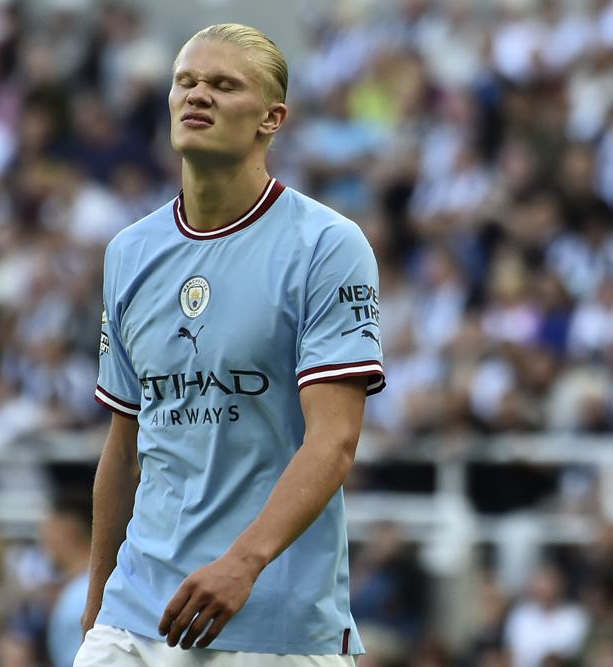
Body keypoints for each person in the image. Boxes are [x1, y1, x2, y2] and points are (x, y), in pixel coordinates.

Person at [77, 23, 385, 666]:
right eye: (186, 81)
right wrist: (97, 601)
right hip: (134, 615)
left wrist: (244, 564)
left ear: (272, 118)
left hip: (272, 623)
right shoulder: (129, 253)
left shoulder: (327, 247)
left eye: (223, 85)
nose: (198, 96)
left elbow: (335, 440)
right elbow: (125, 442)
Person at [45, 493, 94, 667]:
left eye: (50, 528)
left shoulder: (82, 596)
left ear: (68, 530)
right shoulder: (80, 590)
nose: (45, 539)